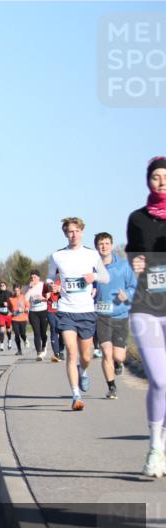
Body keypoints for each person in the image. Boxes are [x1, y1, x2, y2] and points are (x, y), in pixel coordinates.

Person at [125, 156, 166, 478]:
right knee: (159, 380)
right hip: (147, 307)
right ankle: (155, 447)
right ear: (147, 181)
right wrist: (137, 263)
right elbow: (133, 254)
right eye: (155, 177)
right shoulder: (137, 219)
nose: (161, 182)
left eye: (165, 177)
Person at [47, 217, 109, 411]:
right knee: (71, 353)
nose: (73, 235)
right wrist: (52, 284)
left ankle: (83, 371)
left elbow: (105, 276)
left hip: (86, 311)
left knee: (86, 356)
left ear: (82, 232)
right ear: (65, 234)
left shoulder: (91, 255)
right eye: (69, 232)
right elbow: (49, 277)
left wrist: (94, 276)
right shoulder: (57, 256)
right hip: (66, 310)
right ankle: (76, 395)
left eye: (76, 231)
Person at [93, 232, 136, 400]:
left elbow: (134, 286)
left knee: (119, 356)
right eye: (101, 244)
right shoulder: (93, 267)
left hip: (120, 314)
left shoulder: (124, 266)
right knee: (105, 351)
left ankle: (118, 363)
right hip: (102, 315)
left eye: (106, 243)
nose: (104, 246)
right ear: (97, 247)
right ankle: (111, 387)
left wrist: (127, 294)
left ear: (111, 245)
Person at [25, 270, 50, 360]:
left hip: (43, 311)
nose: (33, 279)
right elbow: (26, 299)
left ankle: (44, 345)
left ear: (38, 278)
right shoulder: (29, 286)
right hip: (33, 312)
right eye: (31, 277)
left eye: (34, 277)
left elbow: (48, 297)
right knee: (36, 332)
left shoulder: (43, 285)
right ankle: (39, 352)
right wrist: (30, 289)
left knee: (43, 333)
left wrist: (43, 298)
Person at [46, 277, 64, 362]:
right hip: (51, 311)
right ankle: (56, 353)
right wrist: (46, 296)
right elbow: (42, 294)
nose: (53, 286)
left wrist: (60, 291)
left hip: (62, 312)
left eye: (54, 285)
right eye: (51, 285)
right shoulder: (49, 280)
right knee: (53, 329)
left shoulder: (63, 280)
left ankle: (61, 350)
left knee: (62, 331)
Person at [8, 285, 29, 356]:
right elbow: (9, 308)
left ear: (20, 290)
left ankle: (25, 339)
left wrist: (26, 309)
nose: (16, 292)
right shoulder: (11, 299)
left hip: (23, 318)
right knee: (16, 334)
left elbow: (27, 305)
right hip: (14, 319)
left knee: (22, 333)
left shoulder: (24, 297)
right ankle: (19, 350)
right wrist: (10, 312)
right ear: (13, 290)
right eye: (15, 290)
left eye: (18, 290)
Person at [0, 281, 13, 349]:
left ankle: (9, 340)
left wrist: (8, 305)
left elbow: (13, 303)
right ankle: (2, 344)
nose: (2, 286)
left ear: (6, 286)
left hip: (8, 313)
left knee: (8, 329)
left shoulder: (9, 293)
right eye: (0, 285)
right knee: (2, 329)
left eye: (3, 285)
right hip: (1, 314)